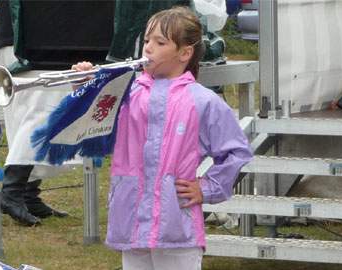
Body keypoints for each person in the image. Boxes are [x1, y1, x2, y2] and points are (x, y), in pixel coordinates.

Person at [73, 6, 252, 270]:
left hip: (177, 225)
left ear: (184, 53)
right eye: (146, 40)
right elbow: (92, 127)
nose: (148, 48)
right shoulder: (126, 93)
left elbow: (237, 152)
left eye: (159, 42)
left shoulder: (202, 101)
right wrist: (84, 88)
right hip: (131, 219)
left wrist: (206, 188)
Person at [0, 0, 69, 226]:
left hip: (40, 34)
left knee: (37, 114)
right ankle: (12, 190)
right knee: (40, 114)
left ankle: (27, 192)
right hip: (23, 38)